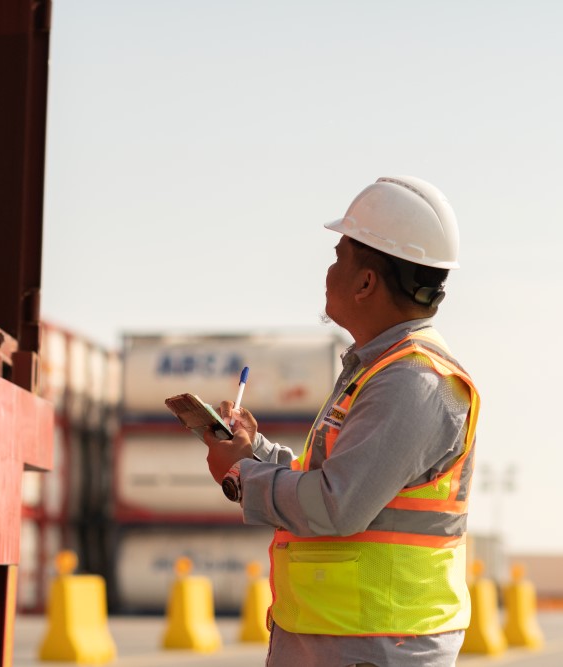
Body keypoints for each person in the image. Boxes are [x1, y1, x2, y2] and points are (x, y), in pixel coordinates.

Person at [203, 176, 481, 667]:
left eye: (338, 257)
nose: (328, 271)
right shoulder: (381, 370)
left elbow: (336, 505)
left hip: (378, 646)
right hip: (347, 642)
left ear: (366, 282)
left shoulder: (410, 382)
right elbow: (331, 479)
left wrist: (240, 476)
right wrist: (256, 452)